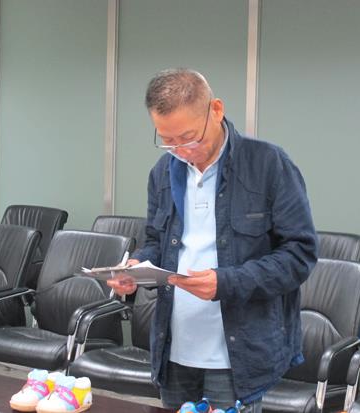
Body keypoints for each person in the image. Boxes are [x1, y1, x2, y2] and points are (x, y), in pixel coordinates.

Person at [108, 68, 317, 412]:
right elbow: (156, 241)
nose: (181, 151)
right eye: (168, 140)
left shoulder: (268, 164)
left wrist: (227, 282)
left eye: (189, 138)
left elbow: (299, 256)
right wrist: (137, 267)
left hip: (236, 355)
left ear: (216, 110)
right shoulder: (162, 172)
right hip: (174, 348)